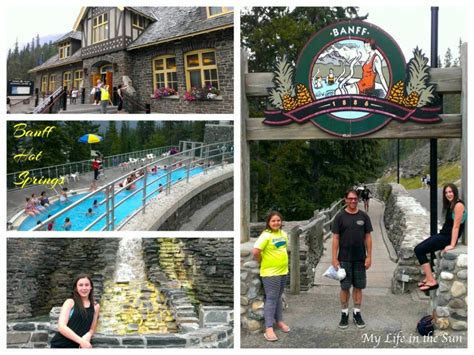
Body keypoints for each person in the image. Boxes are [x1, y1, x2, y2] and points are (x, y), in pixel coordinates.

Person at [332, 189, 373, 329]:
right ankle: (344, 314)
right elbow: (335, 237)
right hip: (344, 258)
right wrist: (334, 258)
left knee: (358, 287)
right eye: (350, 199)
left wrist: (369, 256)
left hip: (360, 258)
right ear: (345, 200)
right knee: (344, 287)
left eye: (355, 198)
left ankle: (357, 313)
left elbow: (368, 236)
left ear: (358, 199)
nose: (353, 201)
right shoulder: (340, 217)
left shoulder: (364, 216)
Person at [414, 183, 466, 292]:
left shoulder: (458, 205)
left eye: (450, 192)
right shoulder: (451, 204)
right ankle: (428, 277)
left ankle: (431, 280)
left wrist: (452, 244)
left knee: (419, 250)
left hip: (447, 237)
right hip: (443, 235)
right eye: (446, 192)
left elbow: (456, 227)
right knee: (420, 248)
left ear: (455, 192)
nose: (448, 194)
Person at [252, 211, 291, 342]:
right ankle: (268, 328)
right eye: (273, 221)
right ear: (269, 222)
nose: (276, 223)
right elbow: (256, 251)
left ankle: (279, 321)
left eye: (278, 220)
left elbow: (284, 249)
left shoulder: (283, 234)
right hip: (270, 273)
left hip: (283, 271)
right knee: (271, 298)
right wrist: (261, 261)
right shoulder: (266, 235)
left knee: (279, 297)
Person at [50, 274, 100, 348]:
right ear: (76, 288)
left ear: (91, 287)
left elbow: (92, 328)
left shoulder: (96, 306)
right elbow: (61, 327)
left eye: (87, 285)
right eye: (80, 285)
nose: (84, 288)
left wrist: (88, 335)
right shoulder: (70, 302)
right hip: (61, 345)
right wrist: (81, 341)